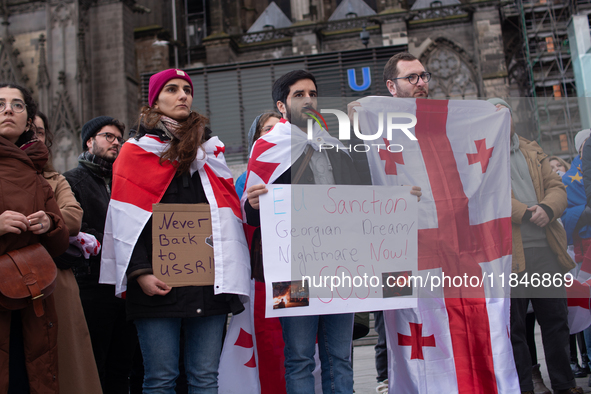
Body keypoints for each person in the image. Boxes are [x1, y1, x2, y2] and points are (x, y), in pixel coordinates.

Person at [101, 68, 249, 393]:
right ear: (155, 101)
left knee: (205, 378)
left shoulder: (210, 153)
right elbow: (125, 221)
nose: (182, 94)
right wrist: (140, 272)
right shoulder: (134, 152)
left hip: (208, 284)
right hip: (156, 286)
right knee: (160, 380)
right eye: (172, 89)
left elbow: (226, 217)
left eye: (186, 89)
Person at [489, 98, 582, 394]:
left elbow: (557, 186)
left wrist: (547, 208)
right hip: (511, 255)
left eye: (505, 113)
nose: (503, 119)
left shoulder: (533, 149)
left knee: (556, 322)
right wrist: (526, 212)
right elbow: (488, 195)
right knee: (516, 329)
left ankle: (565, 385)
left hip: (545, 251)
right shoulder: (483, 154)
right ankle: (524, 387)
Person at [0, 83, 69, 393]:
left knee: (27, 379)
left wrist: (49, 223)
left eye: (17, 105)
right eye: (0, 104)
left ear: (28, 121)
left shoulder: (36, 174)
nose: (7, 110)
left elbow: (60, 242)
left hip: (31, 297)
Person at [64, 115, 137, 393]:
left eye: (119, 138)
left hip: (126, 284)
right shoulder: (72, 180)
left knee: (122, 365)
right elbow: (76, 229)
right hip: (92, 284)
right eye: (109, 136)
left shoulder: (125, 180)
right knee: (94, 362)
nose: (116, 142)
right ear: (90, 141)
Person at [34, 111, 103, 394]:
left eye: (39, 132)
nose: (34, 136)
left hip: (55, 282)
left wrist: (48, 221)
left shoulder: (55, 178)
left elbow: (73, 218)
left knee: (66, 366)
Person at [235, 111, 281, 196]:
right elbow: (239, 208)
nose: (275, 133)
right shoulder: (245, 179)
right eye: (268, 129)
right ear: (256, 136)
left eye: (279, 129)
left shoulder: (298, 168)